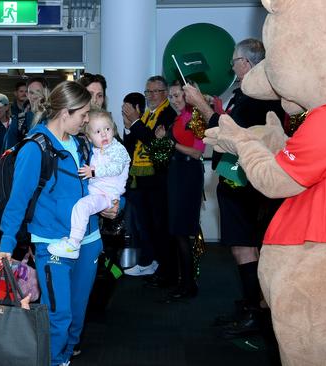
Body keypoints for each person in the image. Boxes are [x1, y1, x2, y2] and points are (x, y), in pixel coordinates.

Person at [0, 81, 118, 366]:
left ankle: (64, 357)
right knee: (59, 314)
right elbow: (17, 202)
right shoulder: (35, 149)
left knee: (76, 313)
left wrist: (112, 205)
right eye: (83, 114)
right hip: (52, 245)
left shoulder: (82, 143)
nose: (87, 120)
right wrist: (6, 245)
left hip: (88, 241)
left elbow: (102, 183)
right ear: (65, 112)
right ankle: (54, 360)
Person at [184, 38, 285, 337]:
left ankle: (256, 312)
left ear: (247, 63)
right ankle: (251, 306)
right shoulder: (247, 94)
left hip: (244, 182)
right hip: (238, 179)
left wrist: (200, 104)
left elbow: (231, 133)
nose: (231, 66)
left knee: (244, 247)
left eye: (234, 61)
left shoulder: (259, 97)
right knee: (245, 246)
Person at [48, 109, 130, 259]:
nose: (104, 134)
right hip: (98, 192)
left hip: (106, 195)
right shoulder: (97, 149)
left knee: (82, 207)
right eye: (98, 131)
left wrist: (93, 172)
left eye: (107, 129)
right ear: (89, 138)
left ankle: (73, 244)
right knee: (79, 207)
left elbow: (116, 167)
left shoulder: (117, 148)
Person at [121, 75, 177, 283]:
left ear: (164, 94)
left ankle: (165, 270)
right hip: (140, 179)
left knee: (160, 226)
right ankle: (151, 263)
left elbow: (153, 142)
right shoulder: (146, 115)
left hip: (159, 179)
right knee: (146, 226)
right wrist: (129, 126)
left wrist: (135, 121)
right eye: (148, 92)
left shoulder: (168, 114)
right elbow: (133, 144)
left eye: (155, 92)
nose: (151, 96)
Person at [155, 79, 205, 302]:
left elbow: (196, 153)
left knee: (182, 231)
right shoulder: (178, 118)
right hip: (177, 173)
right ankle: (184, 281)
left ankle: (188, 284)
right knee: (177, 230)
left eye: (178, 95)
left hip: (188, 173)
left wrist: (168, 142)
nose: (174, 100)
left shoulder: (196, 117)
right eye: (172, 96)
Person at [3, 77, 49, 149]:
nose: (34, 96)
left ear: (45, 93)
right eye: (31, 92)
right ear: (27, 95)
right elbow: (9, 152)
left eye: (38, 92)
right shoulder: (19, 121)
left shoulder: (54, 118)